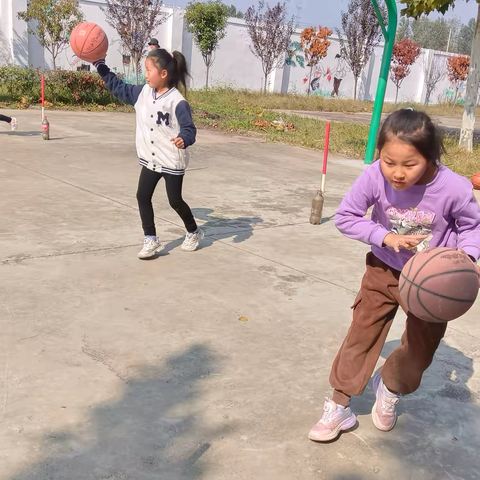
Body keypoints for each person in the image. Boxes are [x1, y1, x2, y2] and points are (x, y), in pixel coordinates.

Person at [309, 109, 480, 442]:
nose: (397, 174)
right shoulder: (374, 176)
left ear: (430, 157)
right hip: (382, 269)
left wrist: (469, 258)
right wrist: (385, 237)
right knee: (362, 333)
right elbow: (346, 217)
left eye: (409, 164)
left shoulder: (456, 187)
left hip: (434, 284)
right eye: (389, 162)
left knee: (419, 352)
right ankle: (340, 404)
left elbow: (472, 226)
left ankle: (389, 386)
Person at [92, 49, 204, 259]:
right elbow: (118, 87)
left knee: (175, 201)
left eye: (148, 70)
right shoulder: (142, 93)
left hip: (171, 159)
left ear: (163, 74)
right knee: (142, 196)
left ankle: (194, 231)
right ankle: (150, 238)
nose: (145, 74)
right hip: (151, 159)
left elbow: (189, 128)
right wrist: (100, 66)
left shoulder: (177, 101)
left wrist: (184, 139)